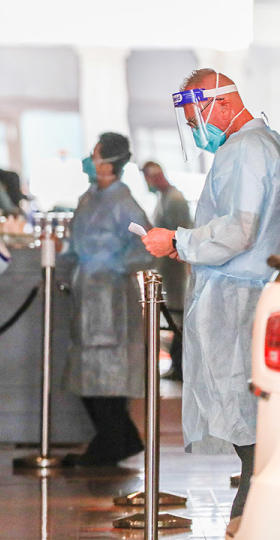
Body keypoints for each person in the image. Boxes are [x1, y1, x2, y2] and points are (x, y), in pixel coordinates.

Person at [142, 69, 280, 526]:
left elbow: (241, 230)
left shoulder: (246, 150)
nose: (194, 129)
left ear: (221, 104)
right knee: (251, 419)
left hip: (241, 298)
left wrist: (179, 242)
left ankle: (248, 523)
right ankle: (248, 519)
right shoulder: (263, 145)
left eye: (195, 117)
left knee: (248, 421)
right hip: (247, 293)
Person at [62, 132, 154, 467]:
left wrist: (114, 265)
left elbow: (146, 245)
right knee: (87, 373)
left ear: (109, 161)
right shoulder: (88, 199)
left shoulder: (124, 204)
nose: (90, 159)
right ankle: (118, 439)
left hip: (112, 297)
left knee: (110, 374)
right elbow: (72, 245)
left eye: (95, 153)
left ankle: (114, 441)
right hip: (85, 294)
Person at [141, 160, 192, 381]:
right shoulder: (163, 199)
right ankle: (175, 364)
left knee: (177, 319)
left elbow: (182, 237)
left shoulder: (175, 200)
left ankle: (179, 366)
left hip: (175, 271)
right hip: (166, 270)